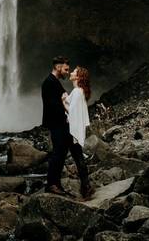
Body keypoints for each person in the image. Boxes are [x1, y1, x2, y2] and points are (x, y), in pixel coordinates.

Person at [41, 55, 71, 195]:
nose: (67, 72)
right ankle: (51, 184)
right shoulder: (49, 82)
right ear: (58, 67)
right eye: (66, 69)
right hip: (56, 123)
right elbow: (52, 105)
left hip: (60, 122)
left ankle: (56, 183)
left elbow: (61, 100)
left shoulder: (54, 82)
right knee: (57, 153)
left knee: (61, 152)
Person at [63, 66, 93, 199]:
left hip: (72, 130)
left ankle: (86, 186)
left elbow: (72, 112)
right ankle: (86, 185)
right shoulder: (79, 91)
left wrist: (62, 101)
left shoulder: (77, 91)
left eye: (74, 71)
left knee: (78, 157)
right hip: (74, 128)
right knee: (78, 156)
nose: (71, 72)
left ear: (79, 77)